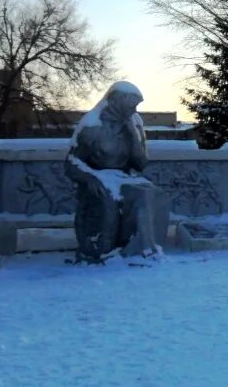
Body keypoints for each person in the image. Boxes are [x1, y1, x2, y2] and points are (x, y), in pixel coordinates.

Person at [65, 81, 169, 262]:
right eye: (132, 105)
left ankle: (143, 249)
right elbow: (71, 161)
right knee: (111, 198)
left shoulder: (134, 124)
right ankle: (105, 248)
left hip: (125, 178)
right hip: (100, 177)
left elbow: (141, 164)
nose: (135, 111)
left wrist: (133, 136)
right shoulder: (92, 125)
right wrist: (89, 178)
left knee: (151, 194)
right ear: (118, 103)